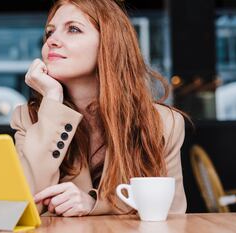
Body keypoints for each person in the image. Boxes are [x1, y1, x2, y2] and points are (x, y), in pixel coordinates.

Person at [10, 0, 187, 217]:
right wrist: (53, 100)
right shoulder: (29, 118)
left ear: (109, 44)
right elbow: (22, 208)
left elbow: (172, 215)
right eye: (49, 33)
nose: (52, 41)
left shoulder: (163, 123)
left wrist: (95, 204)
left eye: (73, 29)